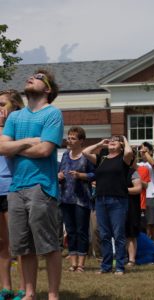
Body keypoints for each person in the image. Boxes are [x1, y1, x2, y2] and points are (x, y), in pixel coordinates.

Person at [0, 70, 64, 300]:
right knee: (22, 246)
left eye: (37, 77)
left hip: (42, 186)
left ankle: (53, 295)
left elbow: (45, 150)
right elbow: (1, 147)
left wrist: (16, 146)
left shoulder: (53, 114)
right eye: (29, 76)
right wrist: (30, 141)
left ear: (48, 89)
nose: (30, 78)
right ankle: (29, 293)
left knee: (47, 244)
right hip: (16, 188)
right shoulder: (15, 117)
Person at [82, 135, 133, 275]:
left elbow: (129, 152)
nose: (111, 142)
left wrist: (124, 139)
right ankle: (106, 266)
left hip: (118, 201)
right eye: (110, 140)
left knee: (118, 235)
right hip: (100, 200)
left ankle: (120, 266)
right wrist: (99, 144)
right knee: (104, 234)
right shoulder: (101, 159)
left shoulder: (123, 159)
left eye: (115, 141)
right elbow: (85, 152)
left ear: (121, 145)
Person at [58, 126, 95, 272]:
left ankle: (81, 264)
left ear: (81, 141)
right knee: (71, 231)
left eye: (73, 138)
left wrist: (81, 176)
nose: (69, 140)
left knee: (81, 231)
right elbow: (60, 171)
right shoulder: (65, 155)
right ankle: (73, 263)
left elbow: (95, 174)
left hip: (82, 200)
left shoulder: (86, 157)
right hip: (66, 199)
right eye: (68, 137)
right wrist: (59, 175)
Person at [0, 90, 25, 300]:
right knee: (2, 242)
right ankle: (6, 287)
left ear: (14, 106)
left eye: (2, 104)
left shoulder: (18, 128)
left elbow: (7, 149)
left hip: (12, 188)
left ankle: (24, 288)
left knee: (17, 242)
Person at [137, 142, 154, 242]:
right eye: (141, 150)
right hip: (138, 196)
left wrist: (146, 152)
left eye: (145, 150)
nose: (142, 152)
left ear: (150, 152)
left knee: (152, 223)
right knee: (142, 223)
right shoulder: (138, 164)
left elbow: (153, 164)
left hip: (150, 196)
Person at [125, 157, 142, 267]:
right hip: (115, 207)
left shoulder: (132, 172)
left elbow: (138, 189)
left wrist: (121, 190)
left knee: (130, 234)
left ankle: (131, 259)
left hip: (131, 207)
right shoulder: (114, 172)